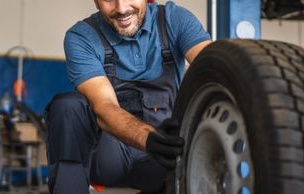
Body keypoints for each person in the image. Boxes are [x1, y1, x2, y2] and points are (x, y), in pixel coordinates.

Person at [44, 0, 211, 193]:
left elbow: (213, 70)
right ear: (96, 2)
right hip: (108, 157)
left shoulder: (174, 20)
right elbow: (104, 106)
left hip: (164, 159)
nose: (121, 9)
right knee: (67, 106)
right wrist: (148, 138)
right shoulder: (82, 36)